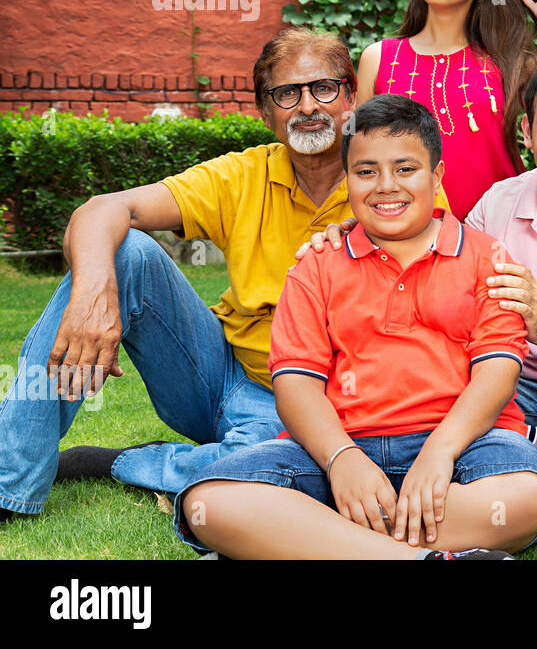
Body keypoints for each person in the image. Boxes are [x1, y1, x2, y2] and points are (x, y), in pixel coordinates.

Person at [304, 48, 537, 515]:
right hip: (503, 387)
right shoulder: (499, 202)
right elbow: (431, 252)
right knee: (441, 394)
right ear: (527, 133)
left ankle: (500, 466)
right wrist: (361, 231)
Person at [173, 95, 537, 558]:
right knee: (208, 502)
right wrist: (342, 461)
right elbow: (295, 383)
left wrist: (439, 452)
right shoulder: (316, 265)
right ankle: (418, 555)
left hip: (465, 446)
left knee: (529, 494)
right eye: (366, 171)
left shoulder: (486, 258)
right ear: (348, 182)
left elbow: (497, 371)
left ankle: (321, 539)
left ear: (436, 177)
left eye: (405, 169)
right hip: (339, 446)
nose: (386, 187)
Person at [0, 27, 358, 523]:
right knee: (126, 251)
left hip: (320, 405)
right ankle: (7, 484)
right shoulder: (245, 174)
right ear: (264, 109)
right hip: (220, 375)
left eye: (323, 88)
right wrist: (93, 295)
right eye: (286, 93)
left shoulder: (391, 181)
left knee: (296, 471)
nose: (307, 106)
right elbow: (106, 208)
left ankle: (116, 463)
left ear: (351, 95)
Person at [355, 0, 537, 219]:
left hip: (499, 239)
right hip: (406, 243)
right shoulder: (378, 58)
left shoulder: (508, 61)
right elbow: (359, 157)